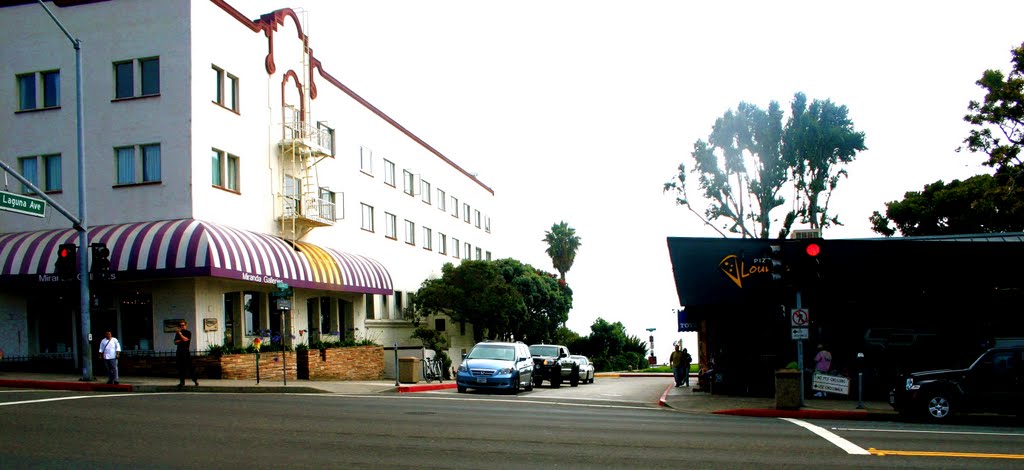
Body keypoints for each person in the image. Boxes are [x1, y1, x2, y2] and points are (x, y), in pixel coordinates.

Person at [175, 320, 198, 388]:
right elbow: (175, 342)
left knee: (190, 366)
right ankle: (182, 382)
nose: (182, 326)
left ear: (185, 325)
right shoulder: (177, 333)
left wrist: (180, 335)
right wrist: (180, 338)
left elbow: (186, 340)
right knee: (180, 367)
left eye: (183, 325)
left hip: (186, 351)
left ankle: (195, 380)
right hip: (179, 351)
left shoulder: (188, 332)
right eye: (180, 325)